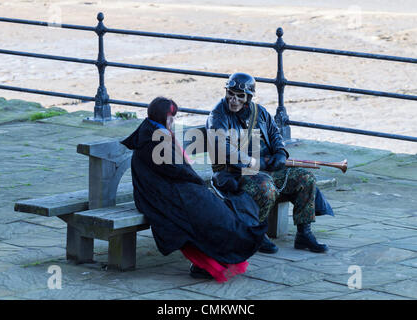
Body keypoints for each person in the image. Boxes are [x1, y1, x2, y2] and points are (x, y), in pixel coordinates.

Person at [120, 96, 268, 282]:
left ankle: (227, 251)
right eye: (171, 117)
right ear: (161, 117)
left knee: (213, 210)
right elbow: (174, 169)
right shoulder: (154, 138)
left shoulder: (154, 131)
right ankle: (216, 260)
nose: (173, 121)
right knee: (200, 216)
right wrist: (196, 181)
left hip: (170, 187)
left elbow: (176, 170)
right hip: (158, 194)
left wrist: (195, 182)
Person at [206, 72, 334, 254]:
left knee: (305, 178)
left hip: (265, 169)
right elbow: (223, 148)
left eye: (239, 96)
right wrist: (254, 162)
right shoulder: (217, 116)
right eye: (230, 94)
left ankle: (304, 234)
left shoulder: (261, 113)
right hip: (235, 172)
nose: (233, 100)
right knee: (266, 187)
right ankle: (258, 233)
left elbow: (275, 135)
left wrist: (281, 153)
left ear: (248, 97)